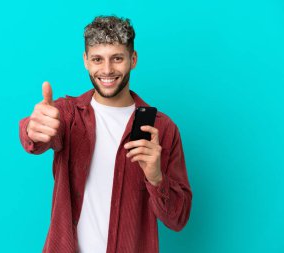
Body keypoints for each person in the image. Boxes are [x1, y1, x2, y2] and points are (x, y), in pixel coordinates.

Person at [19, 15, 192, 253]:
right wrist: (33, 128)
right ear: (86, 61)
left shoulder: (162, 129)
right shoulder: (68, 115)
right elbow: (38, 136)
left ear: (133, 59)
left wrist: (156, 177)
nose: (107, 70)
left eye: (117, 58)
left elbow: (178, 218)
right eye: (98, 59)